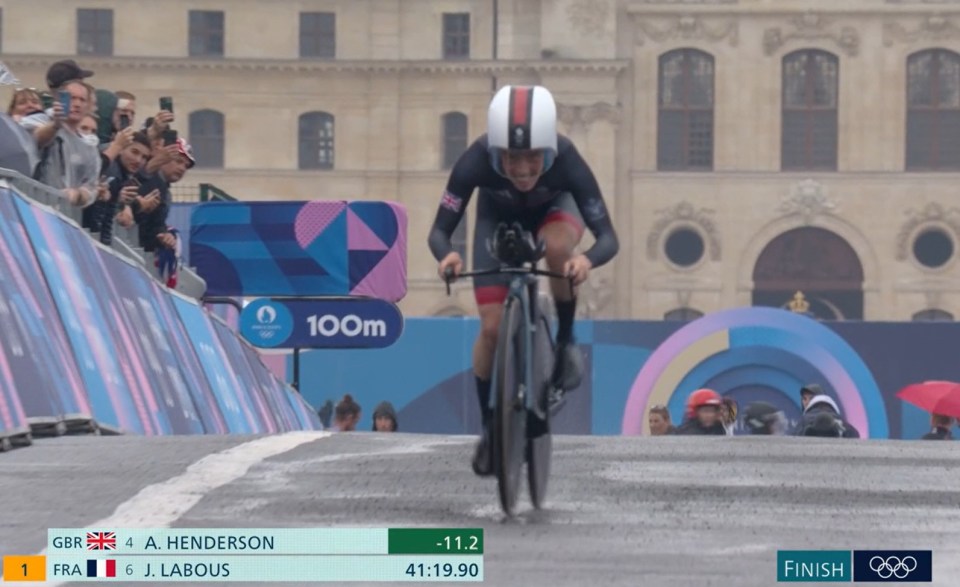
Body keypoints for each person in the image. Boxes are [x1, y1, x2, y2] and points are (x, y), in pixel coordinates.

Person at [427, 85, 619, 476]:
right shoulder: (474, 160)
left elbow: (609, 239)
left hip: (556, 214)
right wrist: (446, 255)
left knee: (557, 250)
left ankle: (564, 339)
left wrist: (585, 260)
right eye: (511, 158)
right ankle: (489, 429)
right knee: (492, 329)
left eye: (533, 157)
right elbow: (439, 232)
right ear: (496, 152)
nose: (523, 169)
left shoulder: (567, 160)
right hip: (496, 223)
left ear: (548, 149)